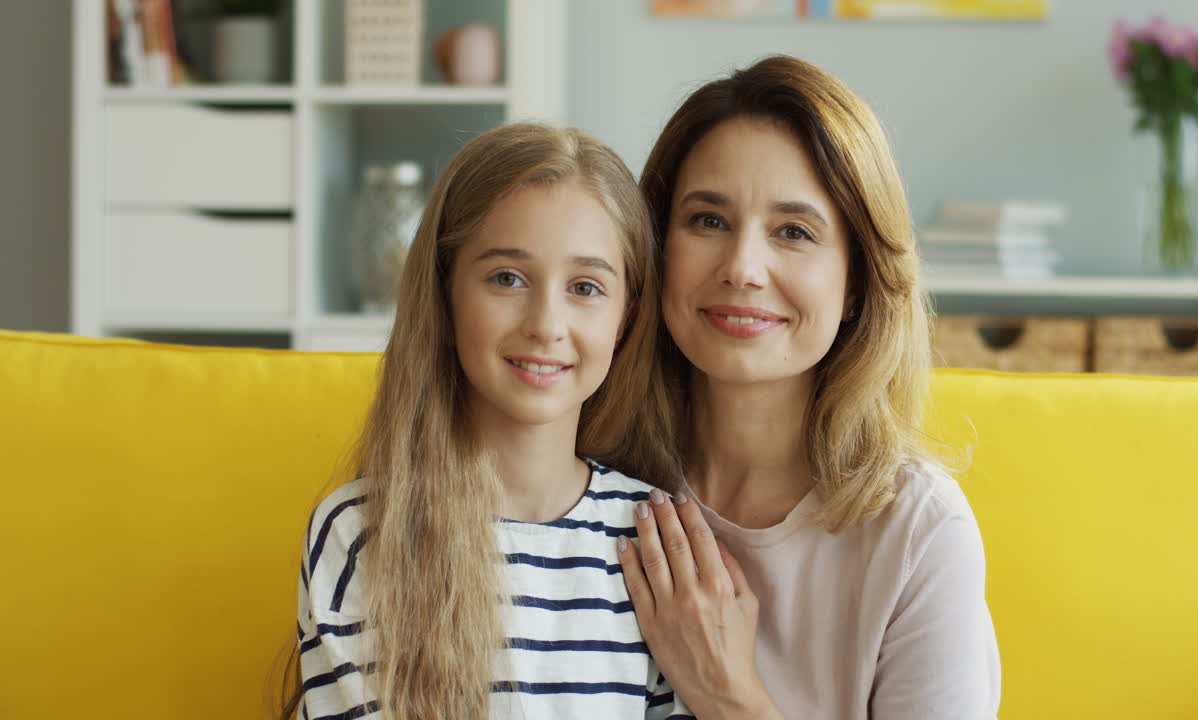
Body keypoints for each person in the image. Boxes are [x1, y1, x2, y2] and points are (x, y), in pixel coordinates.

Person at [615, 55, 1001, 719]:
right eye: (708, 220)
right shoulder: (589, 478)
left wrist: (727, 695)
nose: (742, 267)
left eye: (794, 232)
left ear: (855, 283)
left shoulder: (918, 531)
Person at [290, 123, 693, 720]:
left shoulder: (656, 537)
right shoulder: (362, 533)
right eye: (507, 278)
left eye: (585, 287)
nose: (546, 323)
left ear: (626, 319)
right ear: (445, 293)